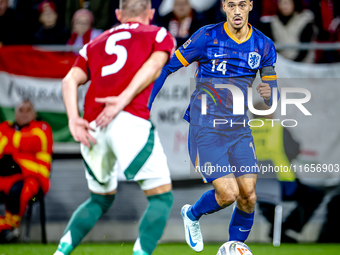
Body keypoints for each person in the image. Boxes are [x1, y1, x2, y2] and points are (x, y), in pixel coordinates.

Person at [149, 0, 279, 252]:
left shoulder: (263, 44)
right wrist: (146, 107)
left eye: (242, 4)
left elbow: (271, 91)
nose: (237, 10)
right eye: (231, 5)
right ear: (223, 7)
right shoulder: (207, 36)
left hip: (240, 129)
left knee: (249, 195)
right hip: (205, 128)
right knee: (229, 194)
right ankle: (192, 214)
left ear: (250, 5)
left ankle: (233, 247)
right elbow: (166, 68)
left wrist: (269, 93)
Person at [53, 0, 176, 254]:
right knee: (161, 197)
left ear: (119, 14)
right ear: (151, 14)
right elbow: (154, 65)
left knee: (99, 199)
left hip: (93, 126)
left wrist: (73, 118)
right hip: (128, 119)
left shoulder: (94, 43)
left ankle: (61, 251)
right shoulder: (158, 33)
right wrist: (122, 99)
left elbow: (69, 80)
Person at [251, 102, 325, 243]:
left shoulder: (244, 132)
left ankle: (278, 229)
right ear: (268, 113)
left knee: (266, 201)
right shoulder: (278, 129)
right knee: (314, 195)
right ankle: (286, 228)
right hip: (283, 184)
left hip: (252, 186)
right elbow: (294, 151)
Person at [0, 99, 53, 242]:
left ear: (34, 113)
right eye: (20, 110)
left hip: (34, 179)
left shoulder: (42, 128)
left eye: (28, 110)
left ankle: (10, 228)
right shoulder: (6, 127)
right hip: (7, 176)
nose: (24, 114)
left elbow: (32, 142)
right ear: (14, 113)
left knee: (19, 190)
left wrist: (10, 142)